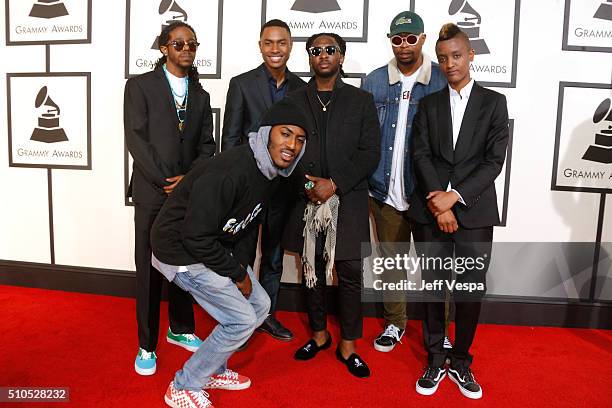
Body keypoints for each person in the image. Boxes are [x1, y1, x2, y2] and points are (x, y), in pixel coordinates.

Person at [151, 98, 308, 408]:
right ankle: (183, 385)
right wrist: (236, 274)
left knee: (260, 305)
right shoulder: (230, 172)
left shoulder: (269, 172)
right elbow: (194, 236)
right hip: (180, 250)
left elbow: (242, 225)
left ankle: (213, 370)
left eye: (299, 139)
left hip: (211, 245)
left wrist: (238, 269)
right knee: (240, 320)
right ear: (266, 134)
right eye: (285, 133)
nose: (291, 144)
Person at [409, 23, 509, 399]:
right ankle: (436, 358)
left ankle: (462, 361)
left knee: (468, 290)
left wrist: (455, 197)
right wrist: (439, 201)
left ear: (470, 55)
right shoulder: (429, 104)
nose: (449, 63)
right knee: (434, 288)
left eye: (455, 55)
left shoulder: (494, 103)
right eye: (442, 58)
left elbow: (493, 161)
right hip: (432, 211)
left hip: (475, 211)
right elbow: (419, 154)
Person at [283, 32, 381, 378]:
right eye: (315, 50)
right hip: (306, 197)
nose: (322, 55)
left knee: (350, 272)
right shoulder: (294, 100)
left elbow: (370, 153)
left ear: (341, 56)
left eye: (330, 50)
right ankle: (320, 335)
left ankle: (349, 344)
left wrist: (335, 183)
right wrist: (309, 184)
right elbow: (283, 149)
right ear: (309, 57)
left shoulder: (361, 100)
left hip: (348, 198)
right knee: (312, 269)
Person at [124, 21, 216, 375]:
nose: (186, 49)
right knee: (148, 269)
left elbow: (207, 147)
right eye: (178, 44)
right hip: (151, 191)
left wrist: (188, 181)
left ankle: (180, 328)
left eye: (192, 43)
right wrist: (165, 180)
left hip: (185, 195)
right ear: (164, 48)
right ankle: (146, 345)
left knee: (183, 265)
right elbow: (137, 140)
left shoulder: (202, 95)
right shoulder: (140, 87)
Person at [362, 11, 447, 353]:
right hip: (385, 191)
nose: (404, 46)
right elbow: (365, 136)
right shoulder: (374, 81)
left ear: (423, 39)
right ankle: (395, 324)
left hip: (427, 193)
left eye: (411, 38)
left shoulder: (441, 80)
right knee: (391, 265)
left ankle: (438, 331)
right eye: (397, 39)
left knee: (435, 268)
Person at [221, 19, 306, 341]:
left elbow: (302, 142)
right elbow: (230, 139)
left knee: (272, 257)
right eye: (268, 43)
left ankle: (266, 315)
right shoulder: (242, 84)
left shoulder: (301, 88)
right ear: (260, 46)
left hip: (282, 188)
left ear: (290, 46)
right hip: (246, 189)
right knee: (240, 256)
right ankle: (237, 319)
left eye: (281, 43)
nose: (275, 49)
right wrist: (233, 186)